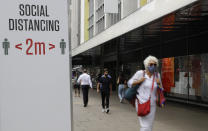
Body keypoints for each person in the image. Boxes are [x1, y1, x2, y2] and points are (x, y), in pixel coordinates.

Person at [128, 55, 163, 131]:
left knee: (150, 125)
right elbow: (129, 83)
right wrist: (139, 81)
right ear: (147, 65)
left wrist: (159, 84)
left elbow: (161, 89)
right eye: (151, 64)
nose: (153, 66)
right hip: (141, 103)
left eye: (155, 64)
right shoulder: (140, 73)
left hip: (152, 104)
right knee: (145, 126)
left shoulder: (157, 75)